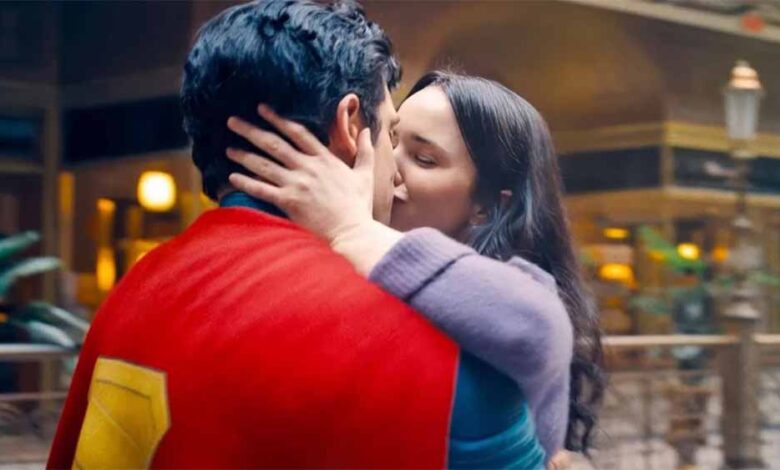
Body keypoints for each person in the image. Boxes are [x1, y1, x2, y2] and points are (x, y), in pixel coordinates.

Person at [48, 2, 548, 468]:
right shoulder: (427, 338)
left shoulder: (133, 292)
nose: (396, 172)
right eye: (392, 135)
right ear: (350, 125)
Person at [226, 71, 605, 461]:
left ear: (488, 208)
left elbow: (537, 326)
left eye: (424, 159)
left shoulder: (515, 302)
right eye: (389, 140)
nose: (389, 168)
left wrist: (350, 228)